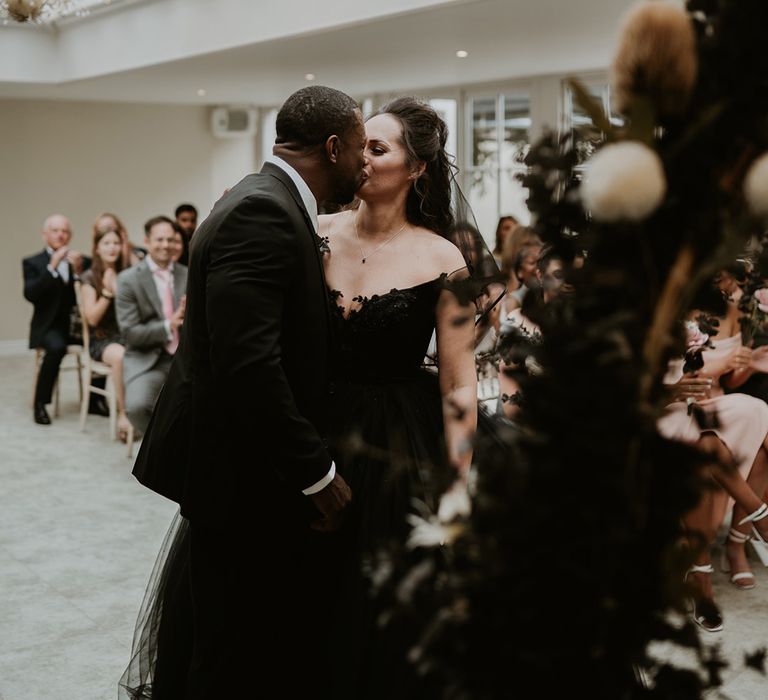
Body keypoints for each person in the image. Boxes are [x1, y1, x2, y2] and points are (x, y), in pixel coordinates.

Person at [121, 85, 364, 700]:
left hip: (248, 471)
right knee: (228, 651)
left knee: (249, 640)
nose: (364, 164)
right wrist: (315, 473)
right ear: (332, 147)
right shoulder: (262, 213)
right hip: (242, 478)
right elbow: (249, 365)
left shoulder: (268, 201)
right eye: (360, 149)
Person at [115, 216, 187, 436]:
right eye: (159, 240)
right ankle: (161, 453)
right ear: (146, 241)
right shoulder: (128, 280)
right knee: (136, 407)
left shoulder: (189, 273)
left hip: (186, 359)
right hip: (148, 359)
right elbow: (130, 333)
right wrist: (169, 325)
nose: (166, 245)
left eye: (170, 240)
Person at [23, 214, 89, 425]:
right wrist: (52, 267)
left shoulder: (81, 260)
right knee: (56, 347)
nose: (61, 235)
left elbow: (91, 288)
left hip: (78, 326)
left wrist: (79, 272)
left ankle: (95, 400)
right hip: (49, 327)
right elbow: (31, 295)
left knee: (102, 343)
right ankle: (40, 404)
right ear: (45, 235)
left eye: (65, 231)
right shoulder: (33, 262)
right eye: (56, 230)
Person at [79, 227, 133, 442]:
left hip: (127, 334)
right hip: (102, 340)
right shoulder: (89, 277)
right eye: (107, 243)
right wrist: (109, 292)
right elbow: (92, 318)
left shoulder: (128, 274)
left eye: (116, 243)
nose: (112, 247)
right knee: (120, 355)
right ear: (97, 249)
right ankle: (123, 414)